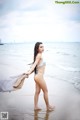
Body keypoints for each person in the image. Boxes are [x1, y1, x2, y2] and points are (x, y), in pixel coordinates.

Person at [25, 42, 55, 111]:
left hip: (36, 76)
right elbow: (34, 64)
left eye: (43, 47)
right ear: (37, 49)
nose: (43, 48)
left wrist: (29, 72)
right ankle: (48, 107)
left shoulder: (38, 55)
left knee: (37, 92)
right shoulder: (39, 55)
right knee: (46, 91)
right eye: (41, 47)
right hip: (39, 77)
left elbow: (35, 66)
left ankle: (36, 107)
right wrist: (29, 72)